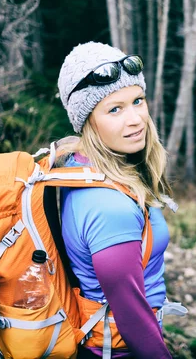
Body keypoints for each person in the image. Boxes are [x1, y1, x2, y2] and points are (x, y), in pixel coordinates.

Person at [56, 42, 175, 358]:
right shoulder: (110, 208)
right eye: (114, 109)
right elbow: (133, 318)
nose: (136, 119)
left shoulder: (81, 164)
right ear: (87, 120)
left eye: (137, 100)